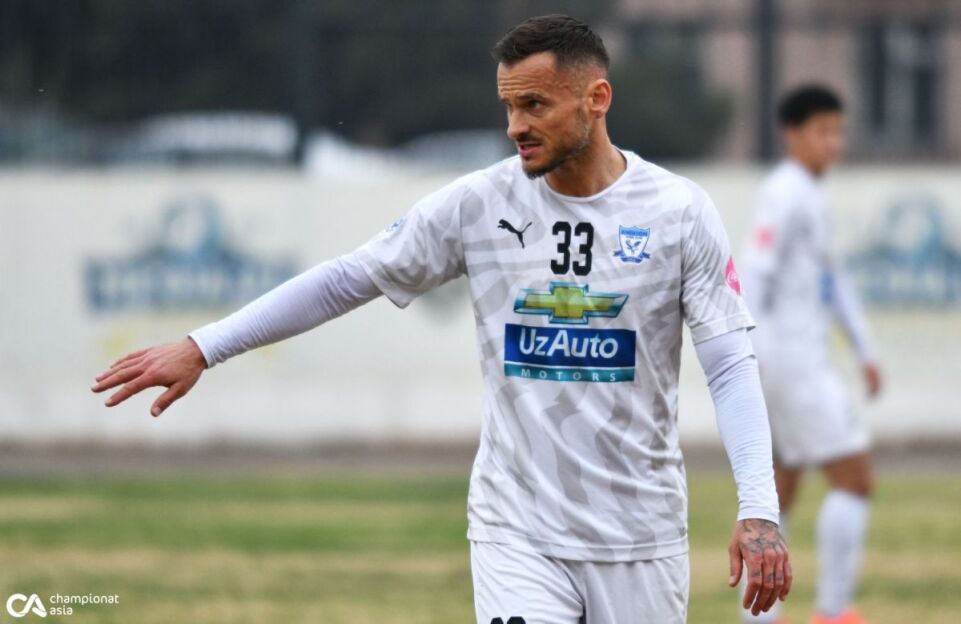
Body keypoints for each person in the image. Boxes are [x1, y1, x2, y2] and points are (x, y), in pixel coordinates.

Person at [93, 15, 790, 623]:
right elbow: (346, 279)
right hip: (516, 530)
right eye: (508, 107)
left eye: (534, 105)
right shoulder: (478, 204)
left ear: (596, 99)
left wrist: (758, 509)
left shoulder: (678, 212)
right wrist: (204, 345)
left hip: (639, 536)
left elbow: (729, 365)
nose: (515, 127)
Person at [740, 85, 881, 624]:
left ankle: (760, 621)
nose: (834, 143)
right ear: (792, 134)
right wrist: (753, 355)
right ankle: (833, 611)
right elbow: (756, 272)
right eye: (824, 131)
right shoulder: (786, 191)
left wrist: (865, 349)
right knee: (855, 480)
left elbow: (832, 282)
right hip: (791, 366)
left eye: (838, 132)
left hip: (788, 365)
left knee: (776, 496)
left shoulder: (810, 193)